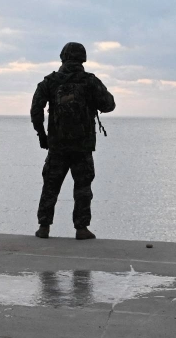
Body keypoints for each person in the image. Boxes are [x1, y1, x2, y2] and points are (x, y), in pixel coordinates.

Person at [30, 42, 115, 240]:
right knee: (83, 188)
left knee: (50, 187)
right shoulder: (89, 81)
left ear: (62, 57)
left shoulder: (50, 81)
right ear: (83, 58)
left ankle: (44, 227)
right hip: (82, 147)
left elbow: (36, 110)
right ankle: (81, 228)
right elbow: (109, 105)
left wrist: (42, 135)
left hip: (57, 146)